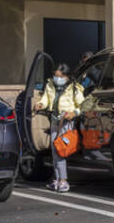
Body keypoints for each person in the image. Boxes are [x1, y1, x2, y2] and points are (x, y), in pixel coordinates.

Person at [34, 63, 84, 193]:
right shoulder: (50, 85)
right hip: (54, 120)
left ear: (66, 76)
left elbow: (83, 105)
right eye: (55, 76)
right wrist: (40, 104)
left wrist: (74, 113)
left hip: (66, 121)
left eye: (60, 76)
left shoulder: (74, 88)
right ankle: (57, 179)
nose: (57, 79)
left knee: (60, 150)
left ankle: (63, 180)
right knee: (54, 149)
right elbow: (46, 99)